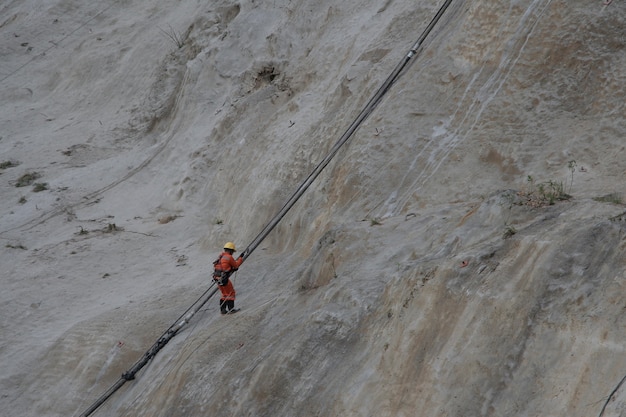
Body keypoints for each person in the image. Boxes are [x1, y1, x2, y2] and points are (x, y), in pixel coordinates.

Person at [213, 242, 244, 314]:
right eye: (232, 251)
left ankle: (223, 310)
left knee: (224, 294)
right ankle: (231, 309)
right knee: (231, 293)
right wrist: (240, 258)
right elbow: (236, 265)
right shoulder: (229, 257)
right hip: (224, 279)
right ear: (230, 251)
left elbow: (218, 266)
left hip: (216, 278)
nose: (232, 253)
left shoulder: (220, 256)